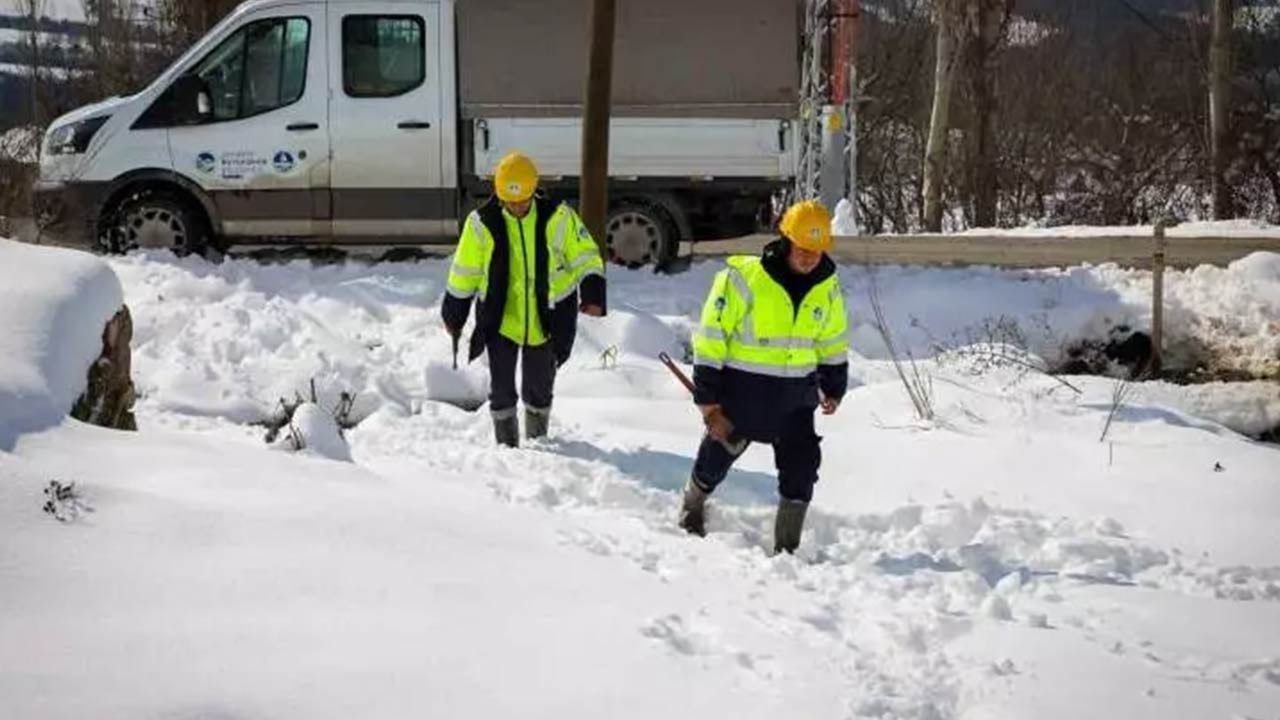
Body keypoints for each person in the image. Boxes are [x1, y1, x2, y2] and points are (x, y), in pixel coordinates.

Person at [678, 200, 849, 553]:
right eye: (802, 249)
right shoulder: (742, 279)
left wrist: (834, 386)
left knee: (802, 470)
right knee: (716, 457)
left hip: (796, 401)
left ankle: (787, 545)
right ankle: (692, 507)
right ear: (786, 240)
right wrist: (709, 401)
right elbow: (711, 338)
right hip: (742, 395)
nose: (808, 258)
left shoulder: (827, 286)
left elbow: (832, 338)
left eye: (816, 252)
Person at [442, 152, 606, 447]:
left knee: (539, 386)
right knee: (501, 388)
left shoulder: (559, 217)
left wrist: (592, 291)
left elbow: (586, 256)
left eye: (523, 200)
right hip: (502, 318)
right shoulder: (481, 224)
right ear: (499, 195)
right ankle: (506, 447)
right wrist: (454, 314)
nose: (517, 207)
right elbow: (464, 272)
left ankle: (538, 441)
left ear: (534, 191)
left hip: (547, 319)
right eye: (510, 201)